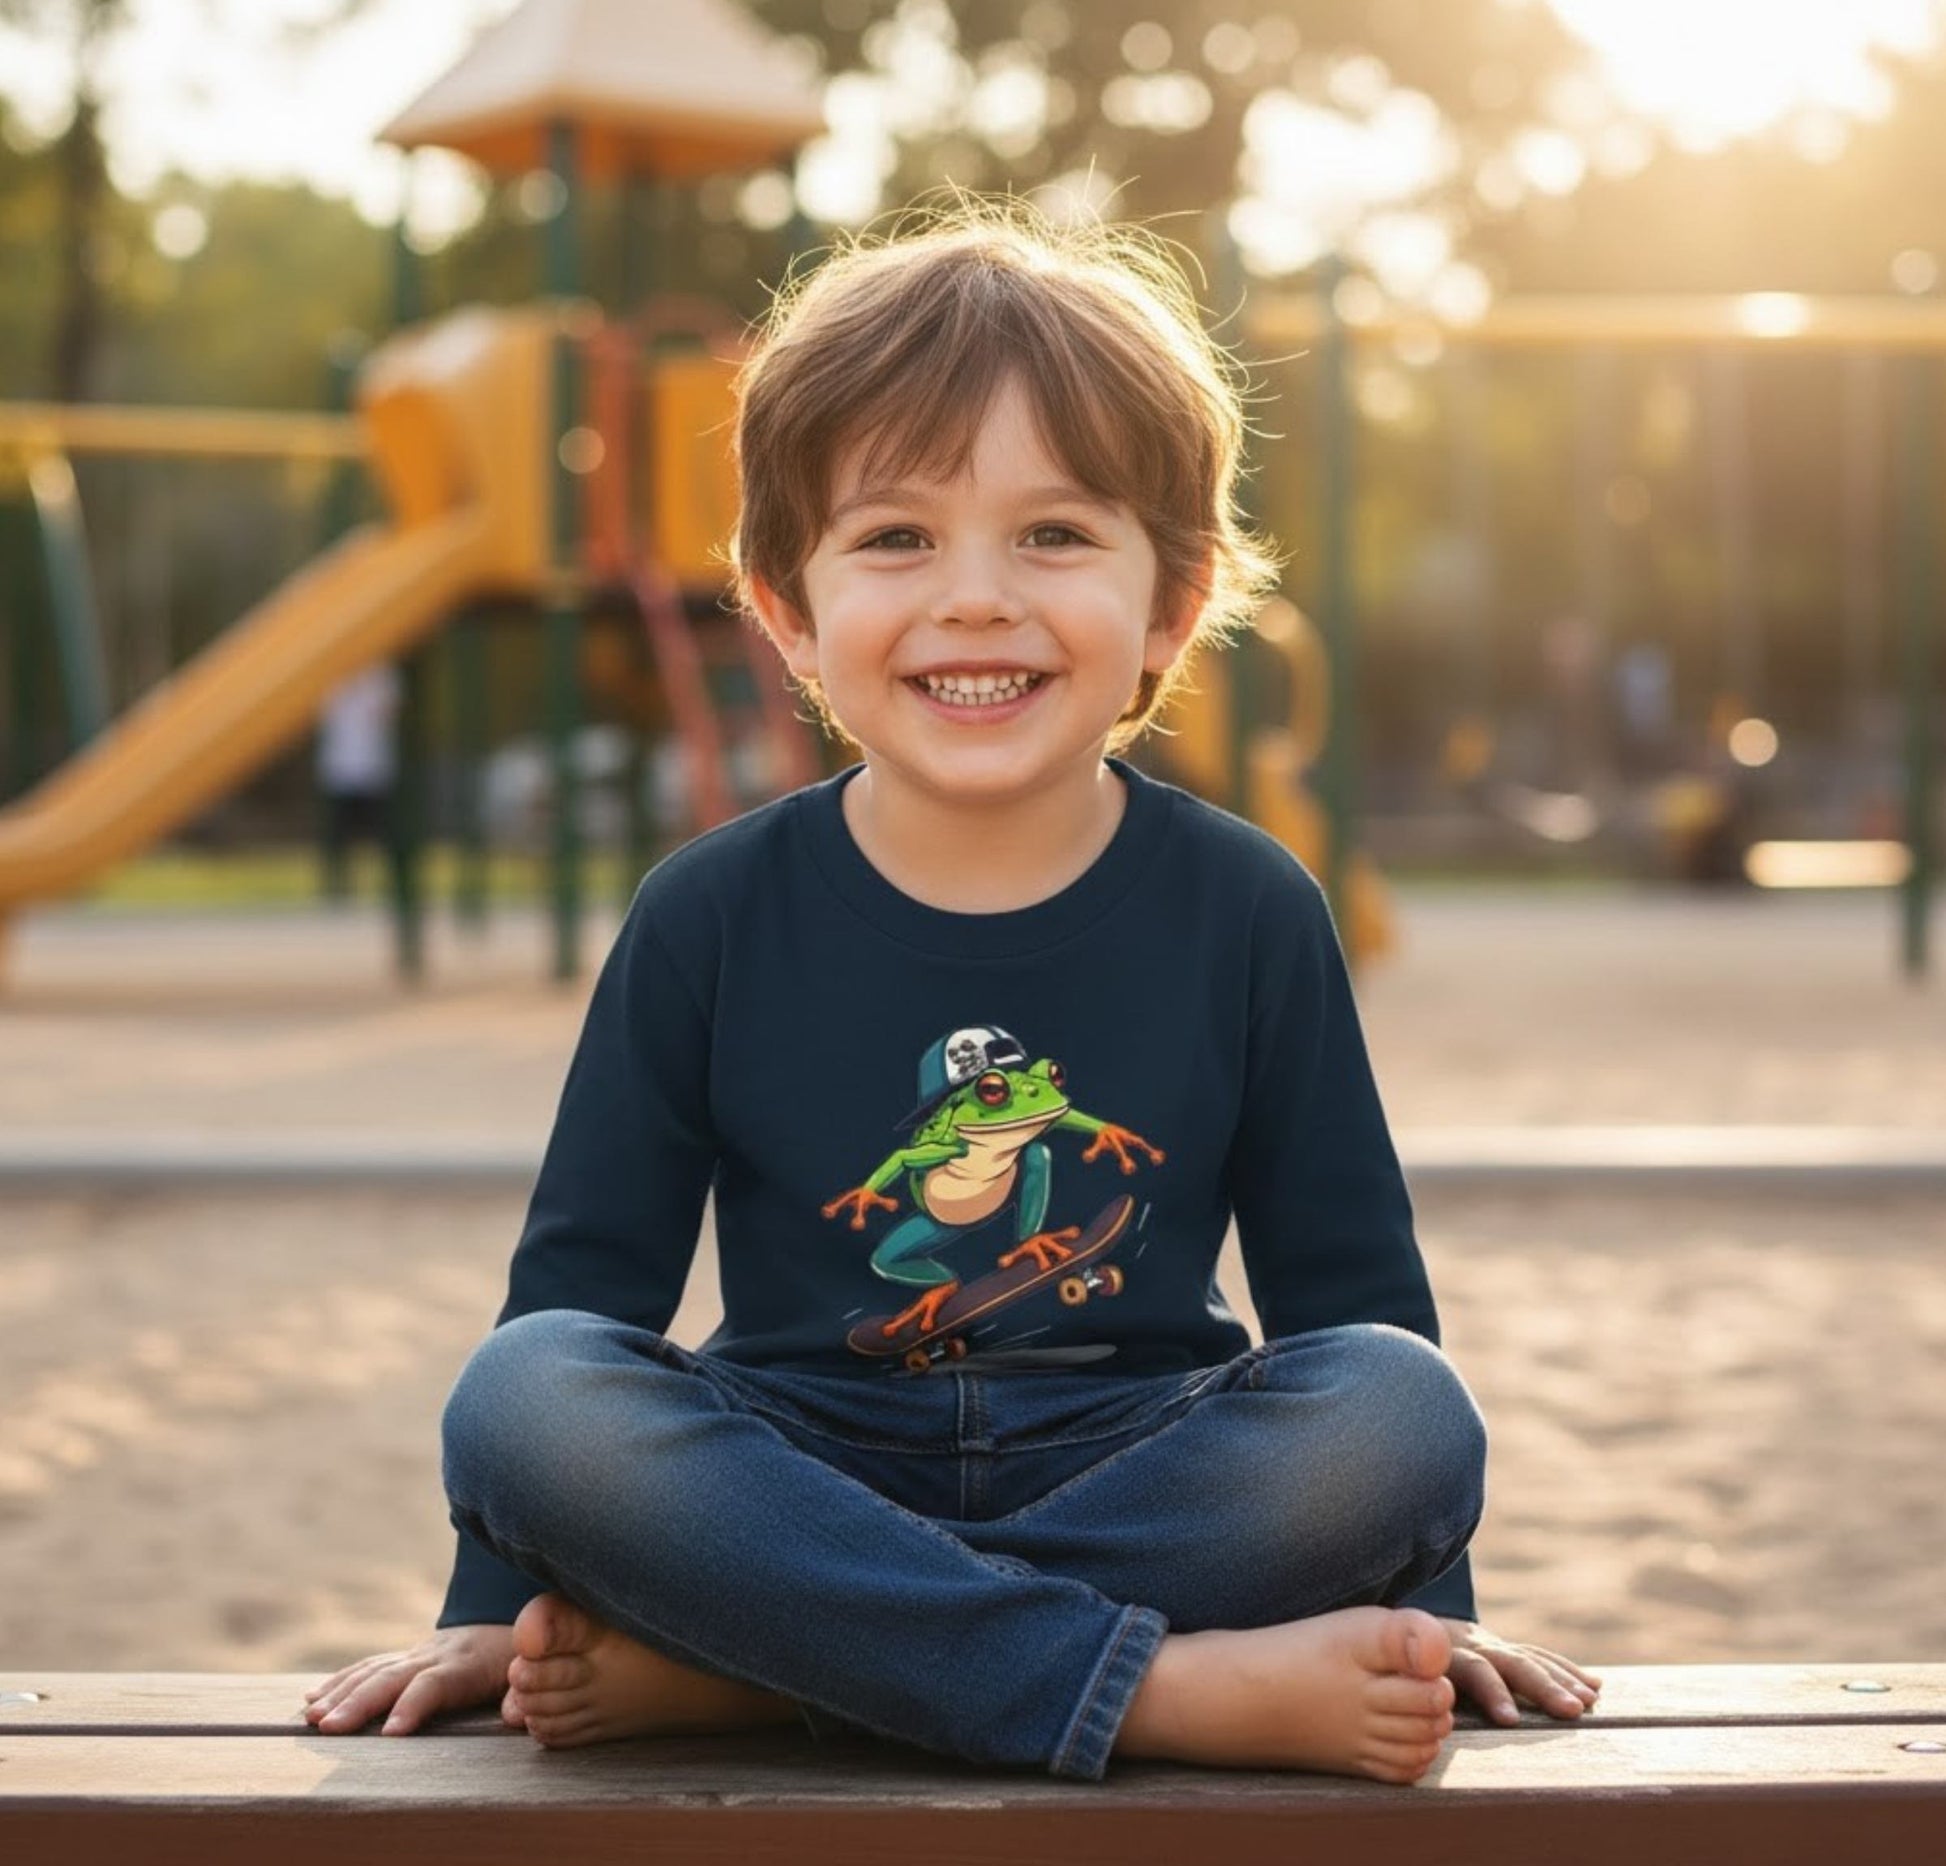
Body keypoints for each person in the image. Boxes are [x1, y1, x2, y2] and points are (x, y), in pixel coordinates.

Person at [303, 202, 1599, 1784]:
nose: (975, 596)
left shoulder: (1248, 905)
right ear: (787, 609)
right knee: (527, 1393)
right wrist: (488, 1614)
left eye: (1052, 534)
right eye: (896, 538)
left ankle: (771, 1672)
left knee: (1400, 1405)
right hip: (795, 1470)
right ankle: (1149, 1687)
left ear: (1171, 603)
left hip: (1139, 1465)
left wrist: (1428, 1603)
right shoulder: (707, 913)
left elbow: (1349, 1282)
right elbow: (586, 1275)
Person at [316, 661, 401, 902]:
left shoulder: (381, 673)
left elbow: (389, 711)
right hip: (340, 767)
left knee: (383, 830)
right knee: (338, 833)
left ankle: (391, 884)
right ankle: (337, 887)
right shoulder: (329, 674)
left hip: (374, 767)